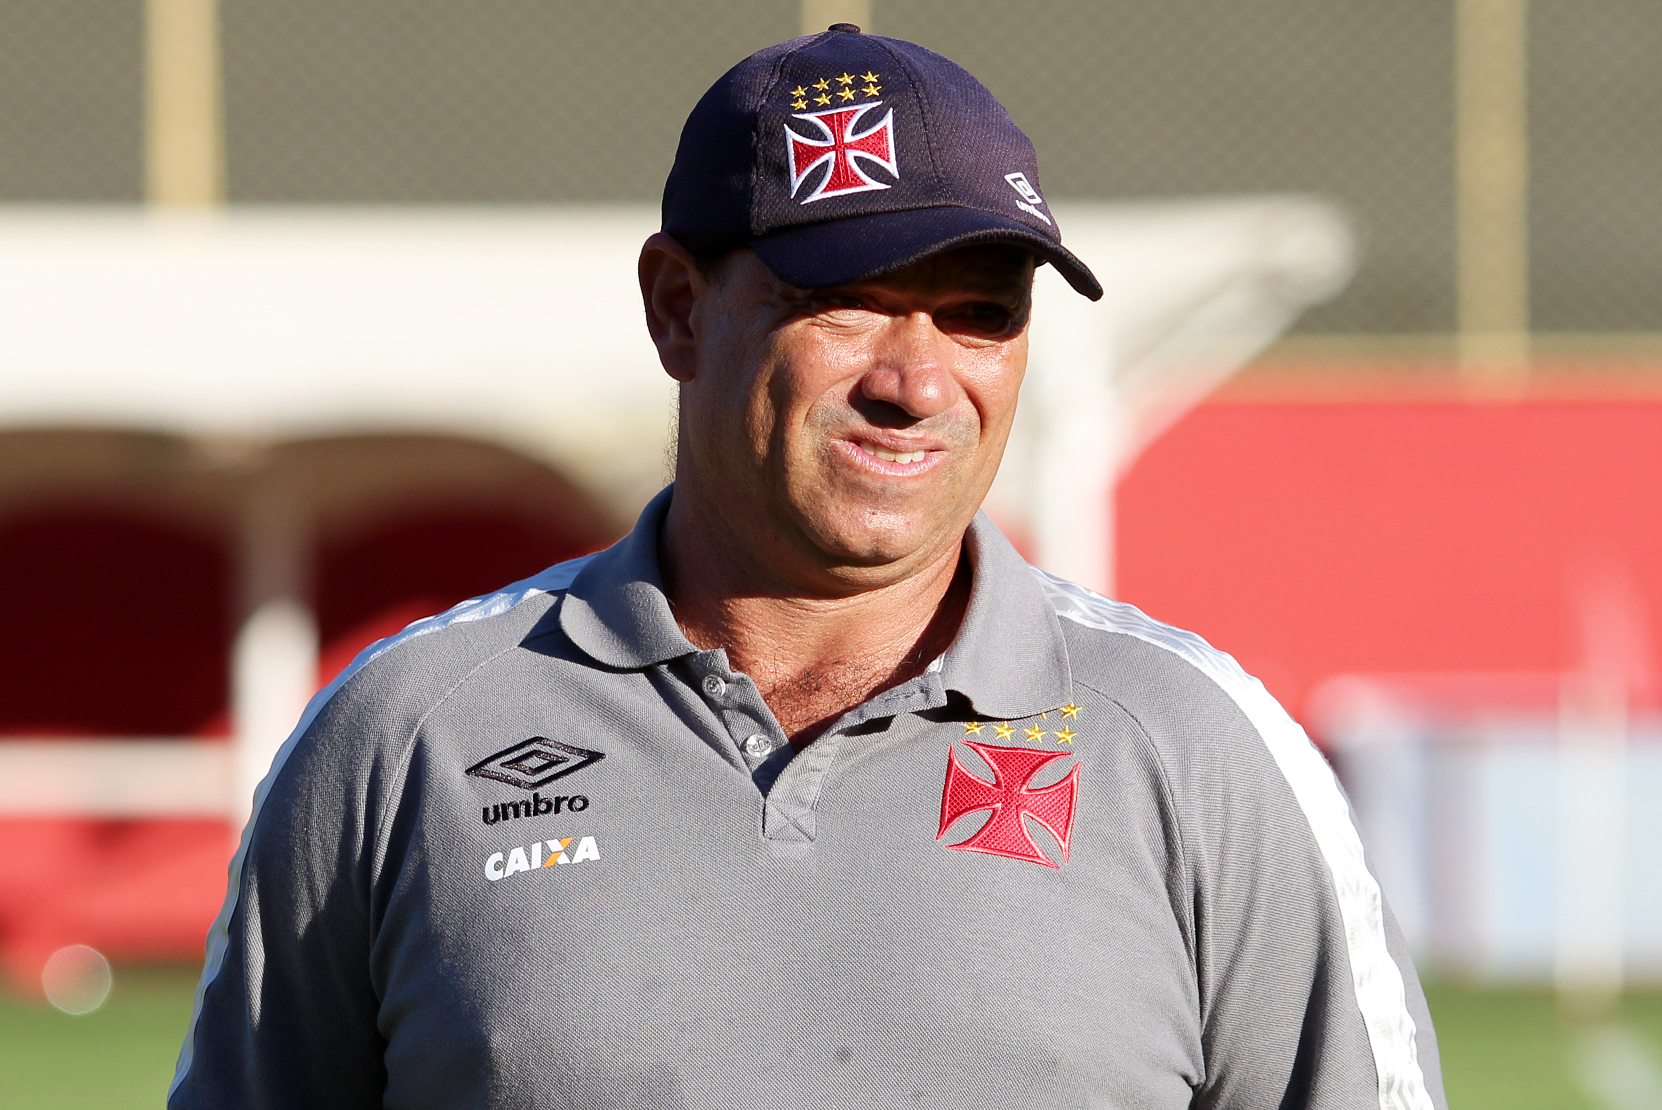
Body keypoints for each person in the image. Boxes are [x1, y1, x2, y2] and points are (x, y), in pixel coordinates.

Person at [170, 25, 1446, 1110]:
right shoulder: (406, 733)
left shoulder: (1196, 746)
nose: (918, 381)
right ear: (677, 308)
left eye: (982, 312)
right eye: (852, 298)